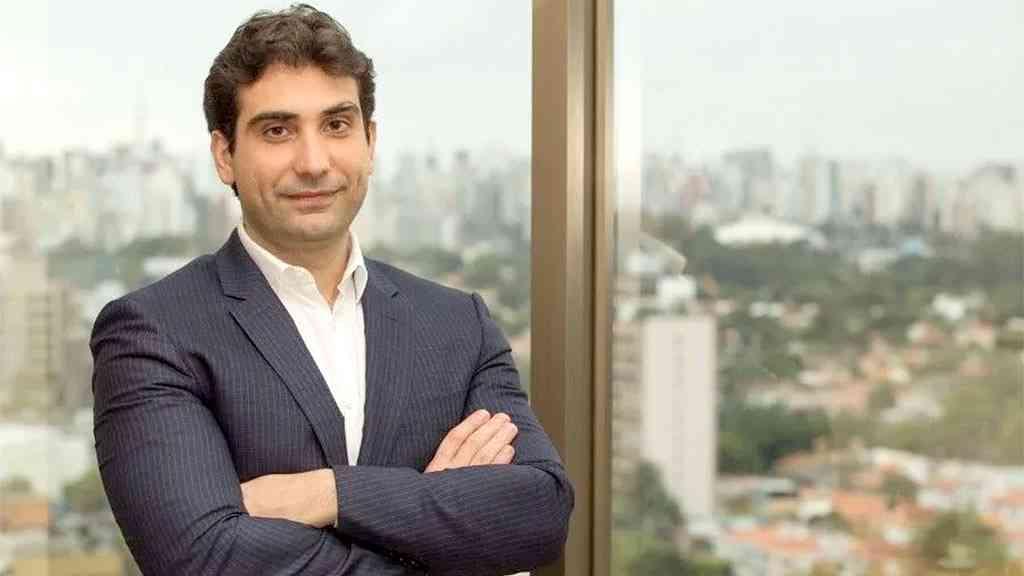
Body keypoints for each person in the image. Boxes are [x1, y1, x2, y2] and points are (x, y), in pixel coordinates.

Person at [90, 5, 573, 575]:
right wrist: (442, 533)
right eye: (277, 130)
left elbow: (541, 513)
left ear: (370, 140)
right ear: (225, 156)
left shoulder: (457, 325)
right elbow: (205, 559)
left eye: (337, 125)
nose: (314, 162)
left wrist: (326, 494)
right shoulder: (153, 332)